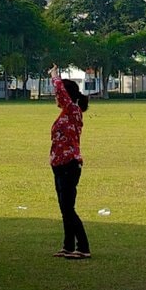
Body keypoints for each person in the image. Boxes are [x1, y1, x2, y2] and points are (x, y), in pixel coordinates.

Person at [48, 73, 91, 258]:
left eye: (58, 94)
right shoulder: (65, 113)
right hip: (59, 165)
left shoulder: (73, 110)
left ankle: (83, 247)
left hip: (69, 165)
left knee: (68, 208)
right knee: (64, 208)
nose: (56, 97)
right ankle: (68, 245)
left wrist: (54, 76)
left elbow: (62, 93)